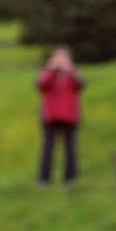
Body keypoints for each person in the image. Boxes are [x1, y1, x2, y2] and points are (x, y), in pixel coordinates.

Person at [37, 46, 84, 186]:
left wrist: (70, 71)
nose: (61, 60)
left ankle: (70, 179)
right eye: (58, 57)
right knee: (48, 149)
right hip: (50, 115)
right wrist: (52, 70)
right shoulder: (47, 73)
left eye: (64, 57)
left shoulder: (73, 72)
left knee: (70, 149)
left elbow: (80, 85)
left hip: (70, 116)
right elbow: (41, 86)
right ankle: (44, 179)